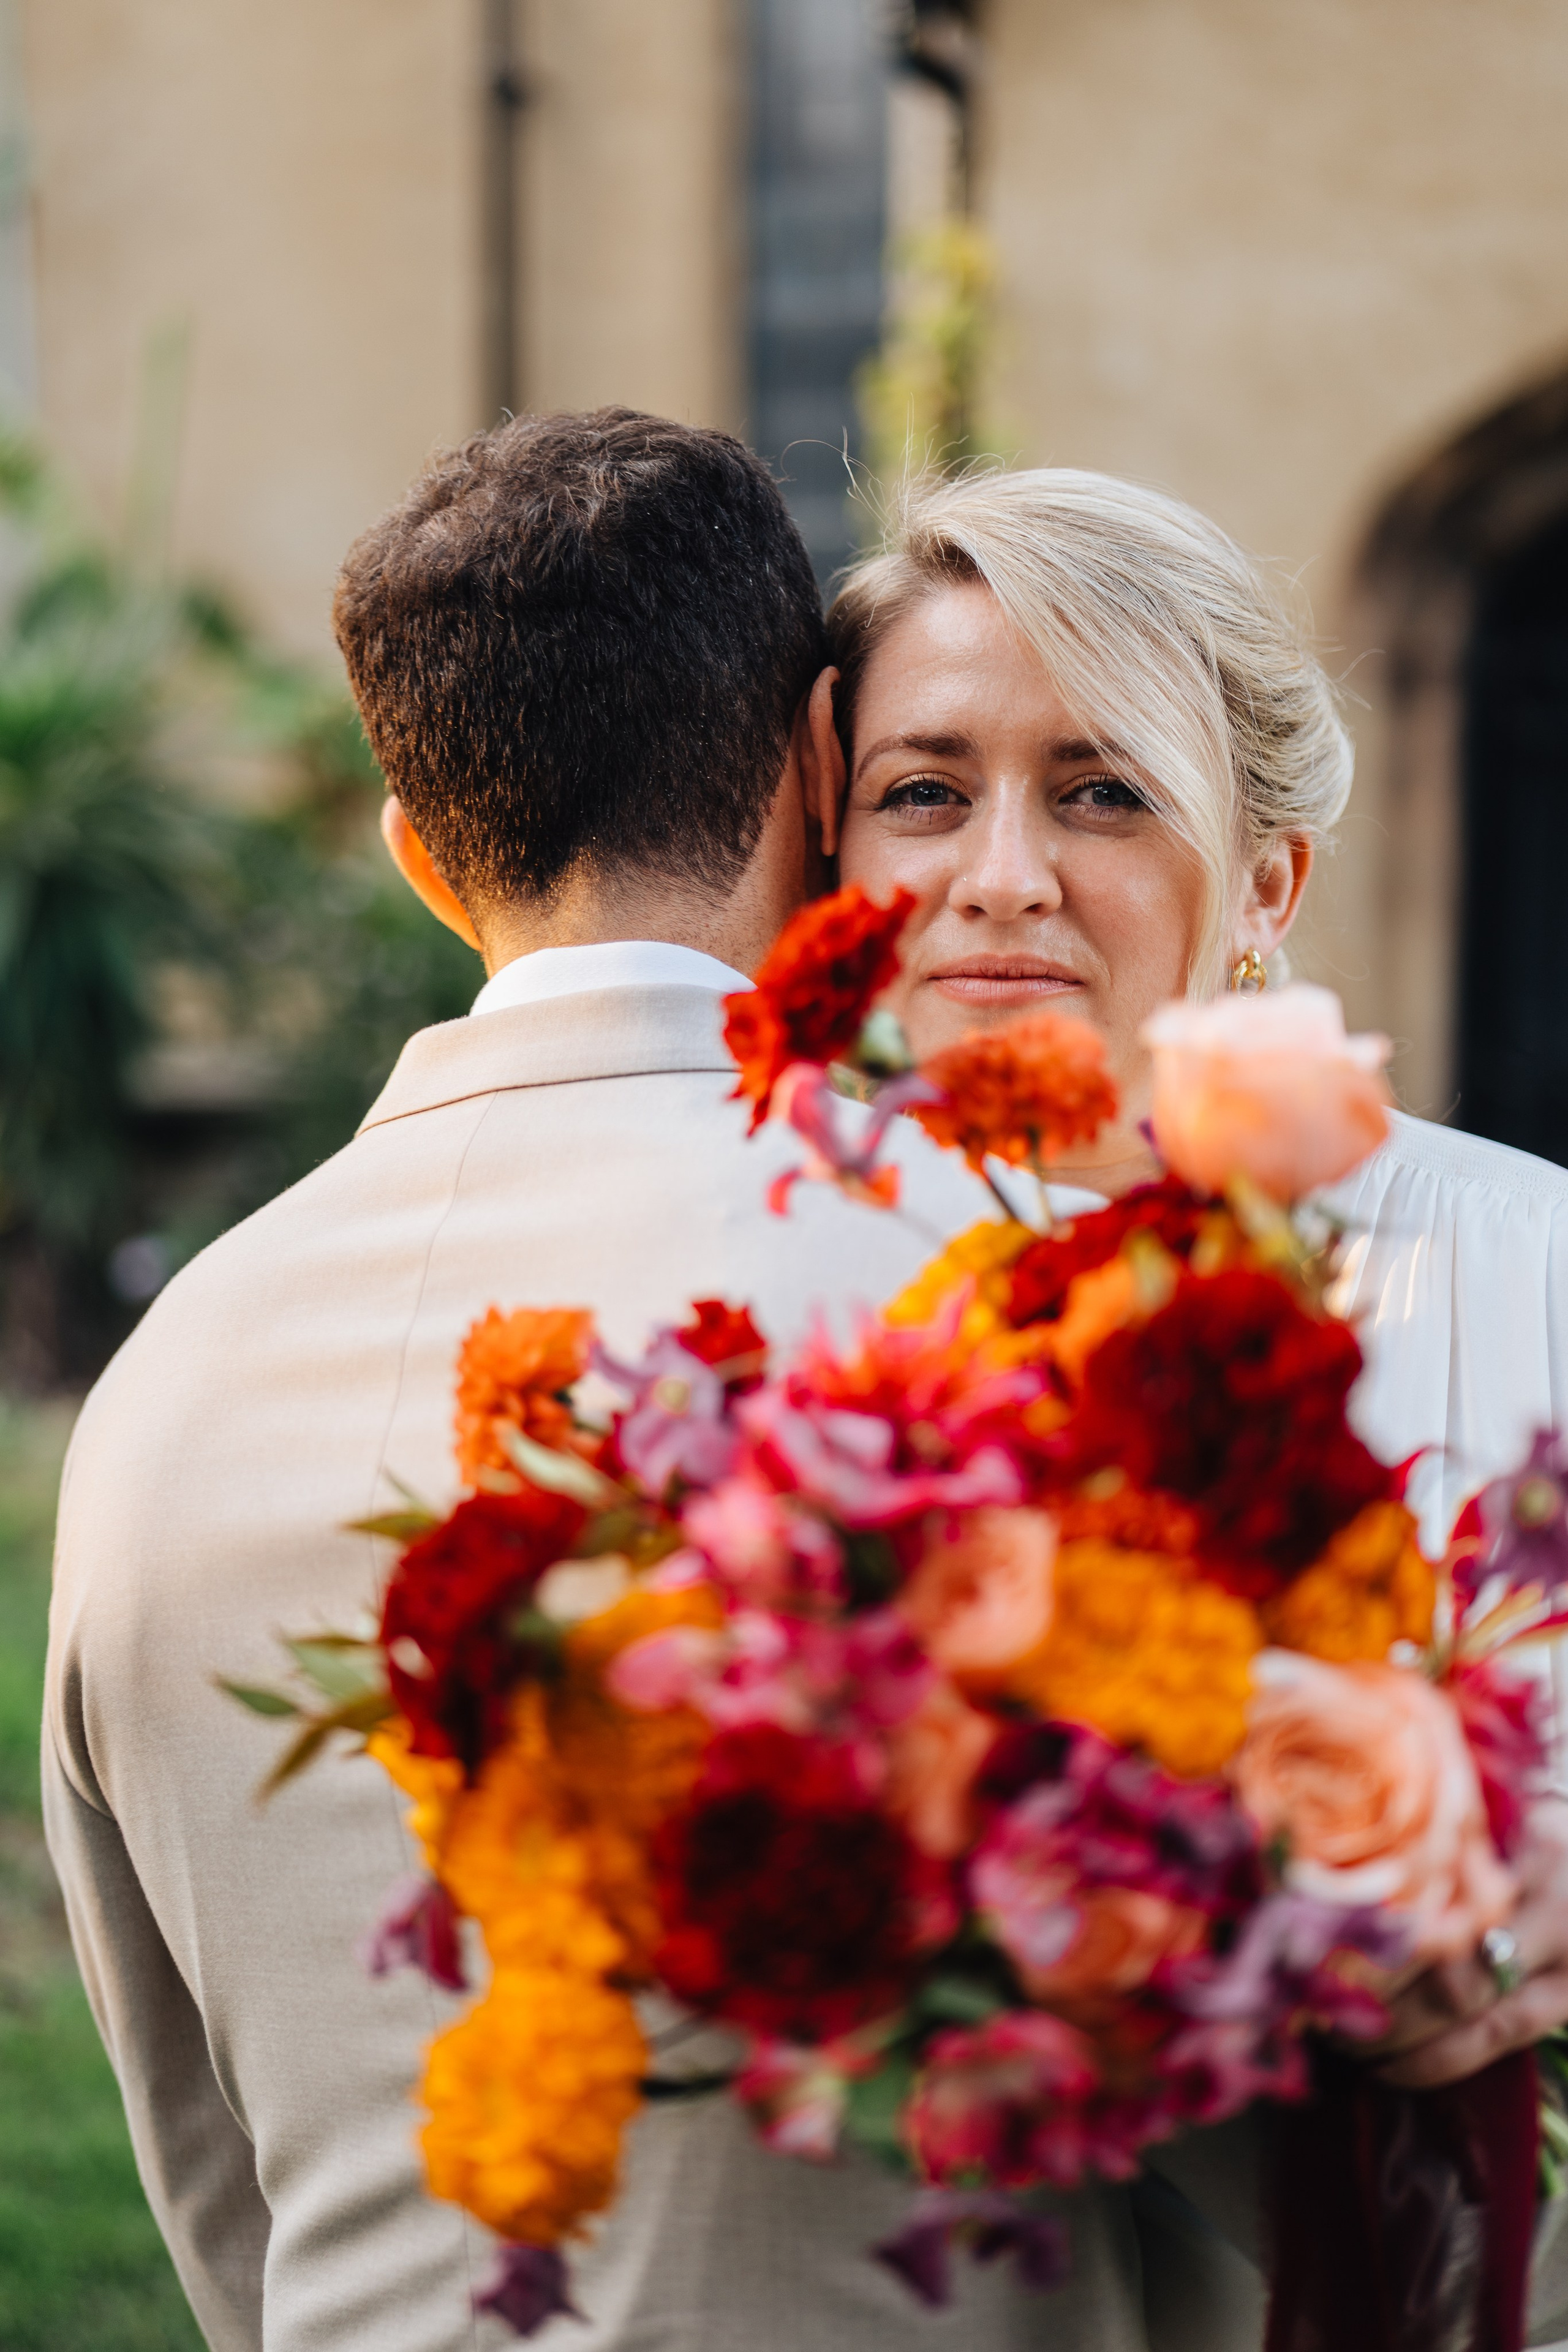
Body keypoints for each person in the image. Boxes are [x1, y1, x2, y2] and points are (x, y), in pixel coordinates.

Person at [45, 413, 1179, 2352]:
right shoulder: (1019, 1303)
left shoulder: (156, 1395)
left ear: (417, 853)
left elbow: (209, 2174)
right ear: (817, 767)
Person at [816, 462, 1568, 2342]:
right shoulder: (772, 1324)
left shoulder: (1530, 1265)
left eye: (1102, 794)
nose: (1002, 876)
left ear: (1270, 886)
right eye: (923, 794)